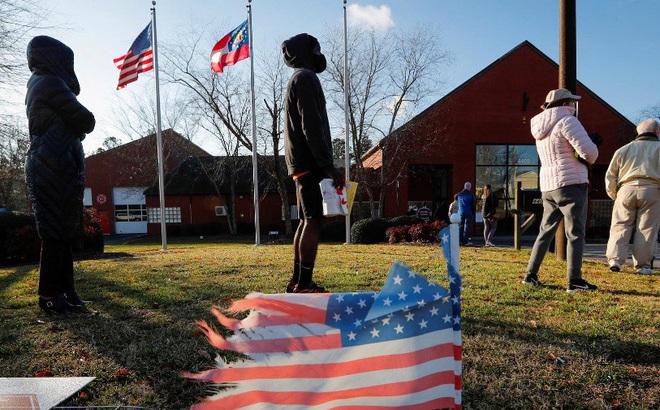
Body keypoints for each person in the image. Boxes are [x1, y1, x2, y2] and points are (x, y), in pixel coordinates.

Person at [24, 36, 96, 313]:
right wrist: (76, 128)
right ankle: (50, 296)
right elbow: (86, 120)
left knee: (63, 234)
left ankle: (67, 292)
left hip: (57, 163)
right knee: (55, 235)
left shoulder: (40, 83)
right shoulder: (49, 83)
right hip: (51, 165)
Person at [282, 33, 344, 293]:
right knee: (313, 221)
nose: (321, 54)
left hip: (300, 163)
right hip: (310, 162)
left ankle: (297, 281)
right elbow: (312, 125)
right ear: (308, 52)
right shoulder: (306, 78)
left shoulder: (298, 79)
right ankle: (304, 283)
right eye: (317, 49)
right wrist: (328, 165)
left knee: (306, 220)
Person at [522, 88, 599, 292]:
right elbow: (590, 153)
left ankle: (530, 274)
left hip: (548, 186)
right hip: (571, 183)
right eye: (572, 102)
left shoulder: (539, 127)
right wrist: (593, 145)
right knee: (575, 233)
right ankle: (575, 280)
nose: (574, 106)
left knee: (545, 232)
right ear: (565, 103)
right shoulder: (568, 121)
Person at [605, 119, 660, 275]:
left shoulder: (623, 150)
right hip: (652, 189)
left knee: (620, 225)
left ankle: (615, 259)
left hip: (625, 189)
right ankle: (643, 266)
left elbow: (610, 175)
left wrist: (614, 193)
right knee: (646, 229)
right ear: (656, 131)